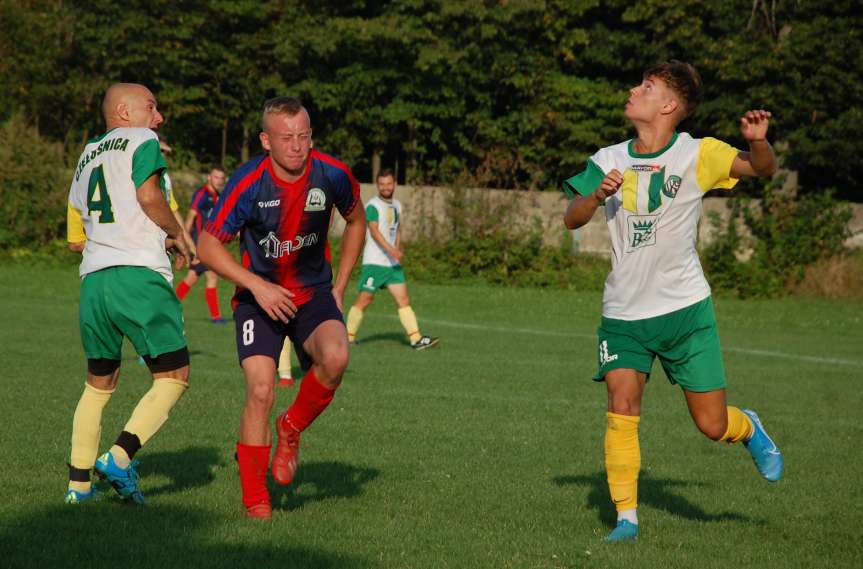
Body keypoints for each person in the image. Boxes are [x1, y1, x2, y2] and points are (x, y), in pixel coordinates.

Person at [562, 61, 783, 542]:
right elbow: (572, 218)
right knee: (622, 401)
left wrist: (759, 141)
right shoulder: (607, 157)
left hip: (685, 312)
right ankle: (626, 519)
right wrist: (596, 196)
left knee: (712, 424)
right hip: (623, 314)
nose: (632, 90)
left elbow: (761, 169)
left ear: (668, 106)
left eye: (646, 87)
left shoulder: (697, 154)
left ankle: (749, 430)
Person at [197, 96, 365, 519]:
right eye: (286, 137)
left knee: (337, 355)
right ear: (265, 140)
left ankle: (289, 430)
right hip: (259, 299)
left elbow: (357, 220)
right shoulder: (248, 181)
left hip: (312, 293)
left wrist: (341, 287)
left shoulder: (332, 173)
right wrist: (258, 286)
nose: (297, 145)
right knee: (260, 389)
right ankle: (256, 500)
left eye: (304, 136)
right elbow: (207, 244)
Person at [64, 83, 192, 505]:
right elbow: (147, 195)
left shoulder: (85, 156)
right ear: (124, 111)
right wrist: (178, 234)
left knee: (98, 385)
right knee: (174, 375)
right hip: (136, 277)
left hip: (94, 282)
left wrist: (154, 238)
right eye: (152, 107)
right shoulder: (143, 139)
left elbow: (81, 232)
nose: (159, 118)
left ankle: (78, 488)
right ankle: (119, 458)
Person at [345, 169, 439, 350]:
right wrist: (390, 250)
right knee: (365, 299)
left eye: (389, 184)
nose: (386, 187)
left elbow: (397, 228)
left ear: (394, 184)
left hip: (392, 265)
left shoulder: (396, 204)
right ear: (378, 185)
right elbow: (373, 229)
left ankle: (416, 339)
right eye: (382, 184)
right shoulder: (373, 205)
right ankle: (348, 336)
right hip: (375, 262)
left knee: (403, 300)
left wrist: (397, 248)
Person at [175, 166, 229, 323]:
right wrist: (186, 241)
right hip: (199, 245)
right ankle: (216, 317)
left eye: (221, 178)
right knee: (210, 277)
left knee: (192, 278)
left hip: (208, 244)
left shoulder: (217, 195)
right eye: (216, 177)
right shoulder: (202, 194)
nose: (219, 181)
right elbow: (191, 217)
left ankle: (169, 308)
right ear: (209, 178)